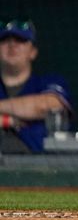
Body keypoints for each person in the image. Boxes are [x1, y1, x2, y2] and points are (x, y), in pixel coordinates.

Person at [0, 18, 72, 153]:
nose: (12, 45)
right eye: (5, 40)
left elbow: (47, 106)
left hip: (41, 167)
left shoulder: (49, 81)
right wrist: (9, 120)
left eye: (20, 40)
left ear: (33, 52)